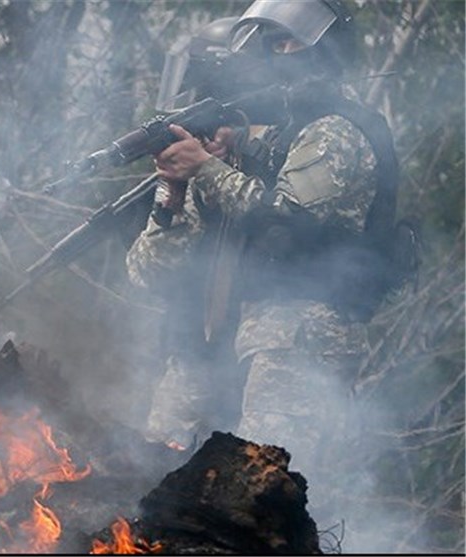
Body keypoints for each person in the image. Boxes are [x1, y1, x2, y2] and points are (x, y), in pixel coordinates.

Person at [127, 0, 402, 497]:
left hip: (298, 338)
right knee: (161, 499)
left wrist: (210, 170)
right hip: (229, 342)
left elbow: (287, 224)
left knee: (258, 498)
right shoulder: (266, 145)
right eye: (274, 44)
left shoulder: (336, 130)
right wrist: (176, 190)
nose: (282, 55)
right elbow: (151, 271)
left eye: (293, 42)